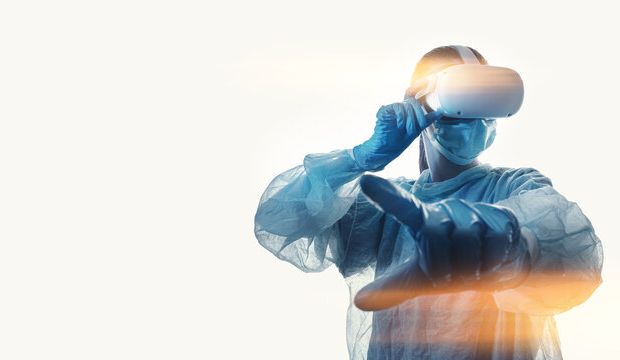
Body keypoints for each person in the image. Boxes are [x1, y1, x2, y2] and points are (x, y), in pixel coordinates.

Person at [254, 45, 603, 360]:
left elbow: (577, 254)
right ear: (417, 100)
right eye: (461, 91)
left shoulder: (514, 188)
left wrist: (508, 246)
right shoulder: (381, 209)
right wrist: (359, 158)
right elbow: (277, 220)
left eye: (485, 94)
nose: (472, 113)